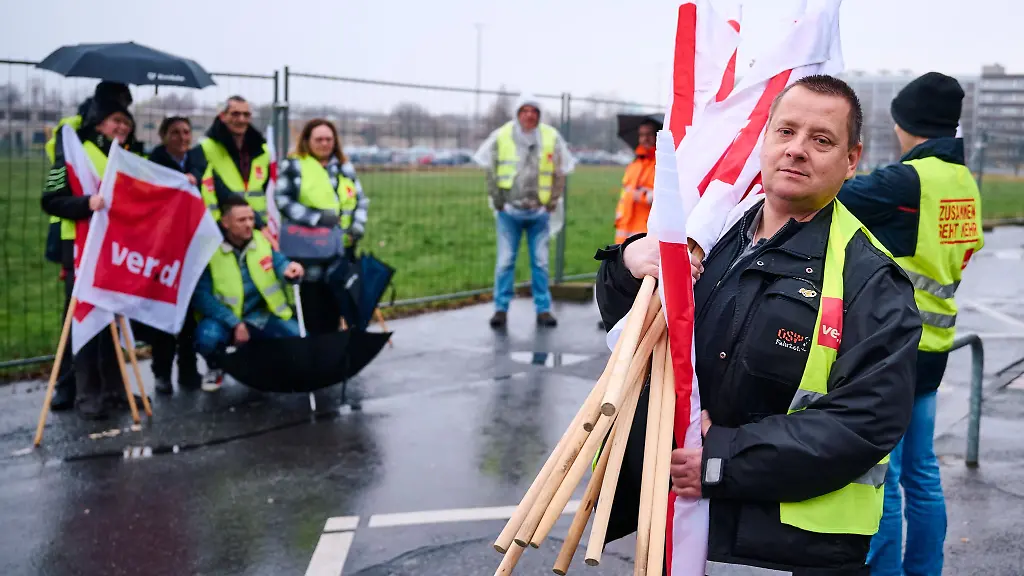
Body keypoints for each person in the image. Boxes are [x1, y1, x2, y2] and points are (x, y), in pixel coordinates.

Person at [596, 75, 921, 574]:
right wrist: (625, 265)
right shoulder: (714, 230)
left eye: (821, 140)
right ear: (765, 139)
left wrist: (720, 456)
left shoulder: (871, 279)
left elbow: (867, 421)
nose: (797, 150)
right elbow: (637, 327)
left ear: (851, 159)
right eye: (786, 132)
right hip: (679, 533)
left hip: (794, 552)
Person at [836, 72, 984, 576]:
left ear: (906, 124)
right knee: (921, 473)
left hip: (893, 350)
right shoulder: (963, 180)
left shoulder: (909, 181)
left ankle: (884, 573)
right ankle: (924, 569)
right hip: (936, 346)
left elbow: (832, 195)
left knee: (882, 475)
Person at [41, 95, 143, 420]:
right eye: (116, 121)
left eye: (126, 122)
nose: (122, 127)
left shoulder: (126, 155)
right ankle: (83, 393)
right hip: (80, 250)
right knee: (84, 320)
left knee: (112, 321)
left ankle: (115, 390)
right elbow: (50, 200)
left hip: (115, 251)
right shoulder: (69, 155)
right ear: (99, 123)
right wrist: (86, 203)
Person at [473, 94, 575, 329]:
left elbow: (561, 170)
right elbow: (490, 168)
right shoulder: (503, 135)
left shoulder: (550, 137)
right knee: (505, 262)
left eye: (534, 111)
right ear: (518, 114)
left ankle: (543, 309)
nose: (529, 115)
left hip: (538, 212)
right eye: (525, 110)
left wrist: (552, 202)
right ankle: (500, 309)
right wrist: (498, 200)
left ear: (538, 115)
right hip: (510, 212)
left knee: (540, 263)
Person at [192, 195, 304, 392]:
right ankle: (216, 366)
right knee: (207, 338)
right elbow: (201, 297)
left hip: (259, 315)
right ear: (225, 222)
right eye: (241, 220)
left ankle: (259, 358)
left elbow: (277, 261)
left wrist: (289, 268)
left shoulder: (260, 241)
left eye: (251, 219)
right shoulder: (209, 250)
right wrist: (235, 323)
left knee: (299, 339)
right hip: (224, 318)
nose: (249, 224)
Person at [274, 118, 369, 334]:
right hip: (310, 250)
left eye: (329, 139)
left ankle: (332, 352)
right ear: (307, 140)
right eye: (319, 139)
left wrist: (357, 226)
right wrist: (316, 218)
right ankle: (314, 353)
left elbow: (360, 199)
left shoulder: (344, 167)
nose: (324, 143)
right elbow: (282, 199)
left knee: (336, 304)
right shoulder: (294, 165)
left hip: (341, 248)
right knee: (313, 307)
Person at [130, 115, 203, 394]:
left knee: (188, 313)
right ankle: (161, 371)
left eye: (186, 132)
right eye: (175, 132)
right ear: (163, 136)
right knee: (163, 312)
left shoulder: (198, 163)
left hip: (191, 247)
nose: (182, 137)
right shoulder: (153, 165)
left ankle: (188, 368)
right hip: (161, 250)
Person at [192, 96, 272, 228]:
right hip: (221, 229)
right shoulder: (205, 149)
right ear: (223, 116)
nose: (241, 119)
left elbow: (268, 190)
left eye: (246, 114)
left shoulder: (263, 151)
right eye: (235, 114)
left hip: (258, 228)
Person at [614, 118, 659, 244]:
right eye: (641, 135)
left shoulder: (662, 165)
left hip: (646, 232)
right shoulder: (633, 165)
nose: (645, 138)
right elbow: (624, 195)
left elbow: (662, 197)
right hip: (624, 230)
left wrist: (642, 196)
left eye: (649, 134)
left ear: (657, 135)